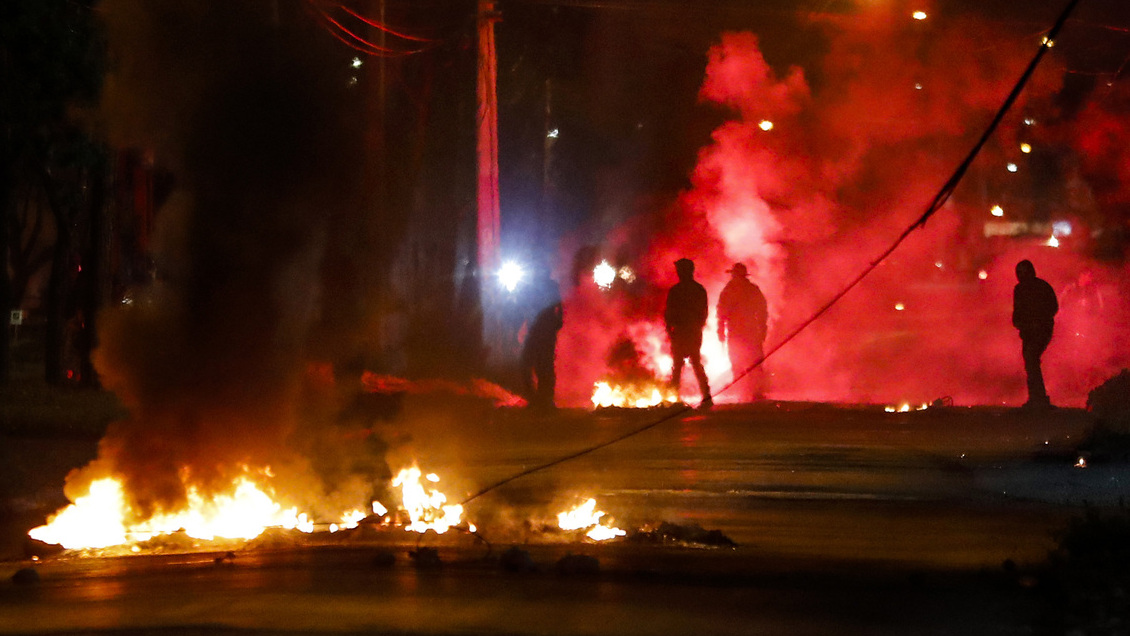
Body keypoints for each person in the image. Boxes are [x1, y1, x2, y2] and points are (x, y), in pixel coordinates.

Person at [717, 262, 768, 401]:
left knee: (754, 362)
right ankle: (744, 391)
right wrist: (720, 330)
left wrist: (763, 327)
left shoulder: (740, 290)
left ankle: (755, 392)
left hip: (747, 331)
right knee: (739, 362)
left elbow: (762, 310)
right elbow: (721, 313)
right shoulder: (735, 290)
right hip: (739, 332)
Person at [665, 258, 712, 408]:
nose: (678, 273)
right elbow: (704, 311)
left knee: (679, 364)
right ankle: (706, 397)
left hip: (684, 330)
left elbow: (669, 312)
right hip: (690, 330)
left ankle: (674, 398)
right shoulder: (698, 289)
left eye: (680, 270)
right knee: (693, 363)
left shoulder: (676, 290)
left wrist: (670, 329)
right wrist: (699, 325)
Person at [1012, 259, 1058, 410]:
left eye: (1025, 272)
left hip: (1041, 330)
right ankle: (1036, 398)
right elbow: (1018, 311)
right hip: (1029, 332)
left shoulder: (1041, 287)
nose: (1022, 276)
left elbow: (1053, 307)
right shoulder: (1019, 289)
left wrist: (1039, 321)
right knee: (1030, 362)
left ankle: (1039, 399)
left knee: (1031, 359)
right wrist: (1021, 324)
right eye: (1020, 273)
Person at [520, 265, 564, 410]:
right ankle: (536, 399)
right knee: (529, 364)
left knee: (544, 366)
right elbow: (524, 306)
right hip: (536, 330)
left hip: (546, 330)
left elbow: (559, 305)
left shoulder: (551, 286)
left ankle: (545, 400)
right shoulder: (531, 286)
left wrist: (558, 322)